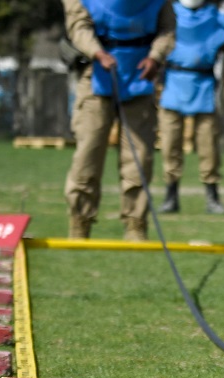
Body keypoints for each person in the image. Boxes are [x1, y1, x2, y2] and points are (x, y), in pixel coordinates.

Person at [63, 0, 175, 241]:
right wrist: (97, 52)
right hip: (95, 76)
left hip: (140, 78)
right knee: (88, 155)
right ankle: (79, 224)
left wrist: (155, 57)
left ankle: (135, 225)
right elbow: (78, 27)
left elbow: (168, 30)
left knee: (139, 158)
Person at [157, 0, 224, 215]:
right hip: (172, 83)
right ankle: (170, 196)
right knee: (169, 144)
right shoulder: (168, 14)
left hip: (204, 86)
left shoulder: (218, 20)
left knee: (208, 145)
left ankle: (212, 196)